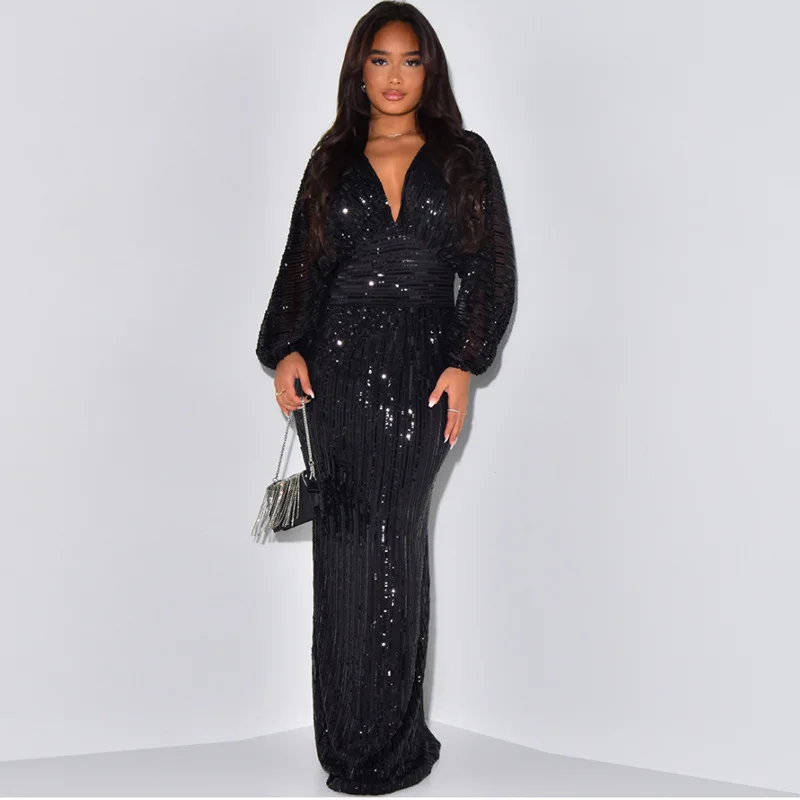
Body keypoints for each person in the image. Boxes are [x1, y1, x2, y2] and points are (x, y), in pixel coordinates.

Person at [255, 1, 516, 793]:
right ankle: (347, 743)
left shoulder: (465, 156)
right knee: (343, 547)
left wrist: (465, 362)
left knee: (395, 539)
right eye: (379, 60)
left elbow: (492, 269)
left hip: (423, 373)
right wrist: (285, 348)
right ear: (358, 70)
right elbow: (302, 264)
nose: (395, 77)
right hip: (334, 372)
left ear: (429, 70)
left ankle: (392, 738)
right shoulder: (331, 161)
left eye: (410, 60)